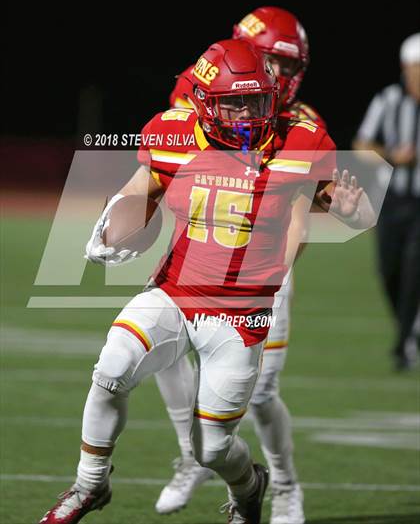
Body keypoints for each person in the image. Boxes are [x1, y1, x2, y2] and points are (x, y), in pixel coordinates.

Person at [39, 38, 374, 524]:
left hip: (242, 313)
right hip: (175, 291)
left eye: (254, 100)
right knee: (111, 367)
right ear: (201, 103)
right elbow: (139, 192)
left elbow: (356, 213)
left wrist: (352, 211)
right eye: (231, 101)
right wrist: (114, 226)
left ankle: (250, 485)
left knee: (211, 449)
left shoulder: (299, 141)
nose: (243, 113)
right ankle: (90, 484)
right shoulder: (172, 133)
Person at [155, 6, 325, 524]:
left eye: (289, 68)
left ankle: (287, 485)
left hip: (261, 268)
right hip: (202, 252)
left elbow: (312, 203)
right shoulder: (203, 87)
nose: (281, 78)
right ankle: (194, 453)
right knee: (163, 349)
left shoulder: (301, 124)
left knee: (262, 391)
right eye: (273, 62)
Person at [353, 32, 420, 371]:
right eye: (413, 69)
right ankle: (411, 328)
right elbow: (362, 145)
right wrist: (394, 154)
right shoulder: (389, 100)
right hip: (393, 200)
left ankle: (404, 342)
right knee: (388, 271)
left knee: (413, 272)